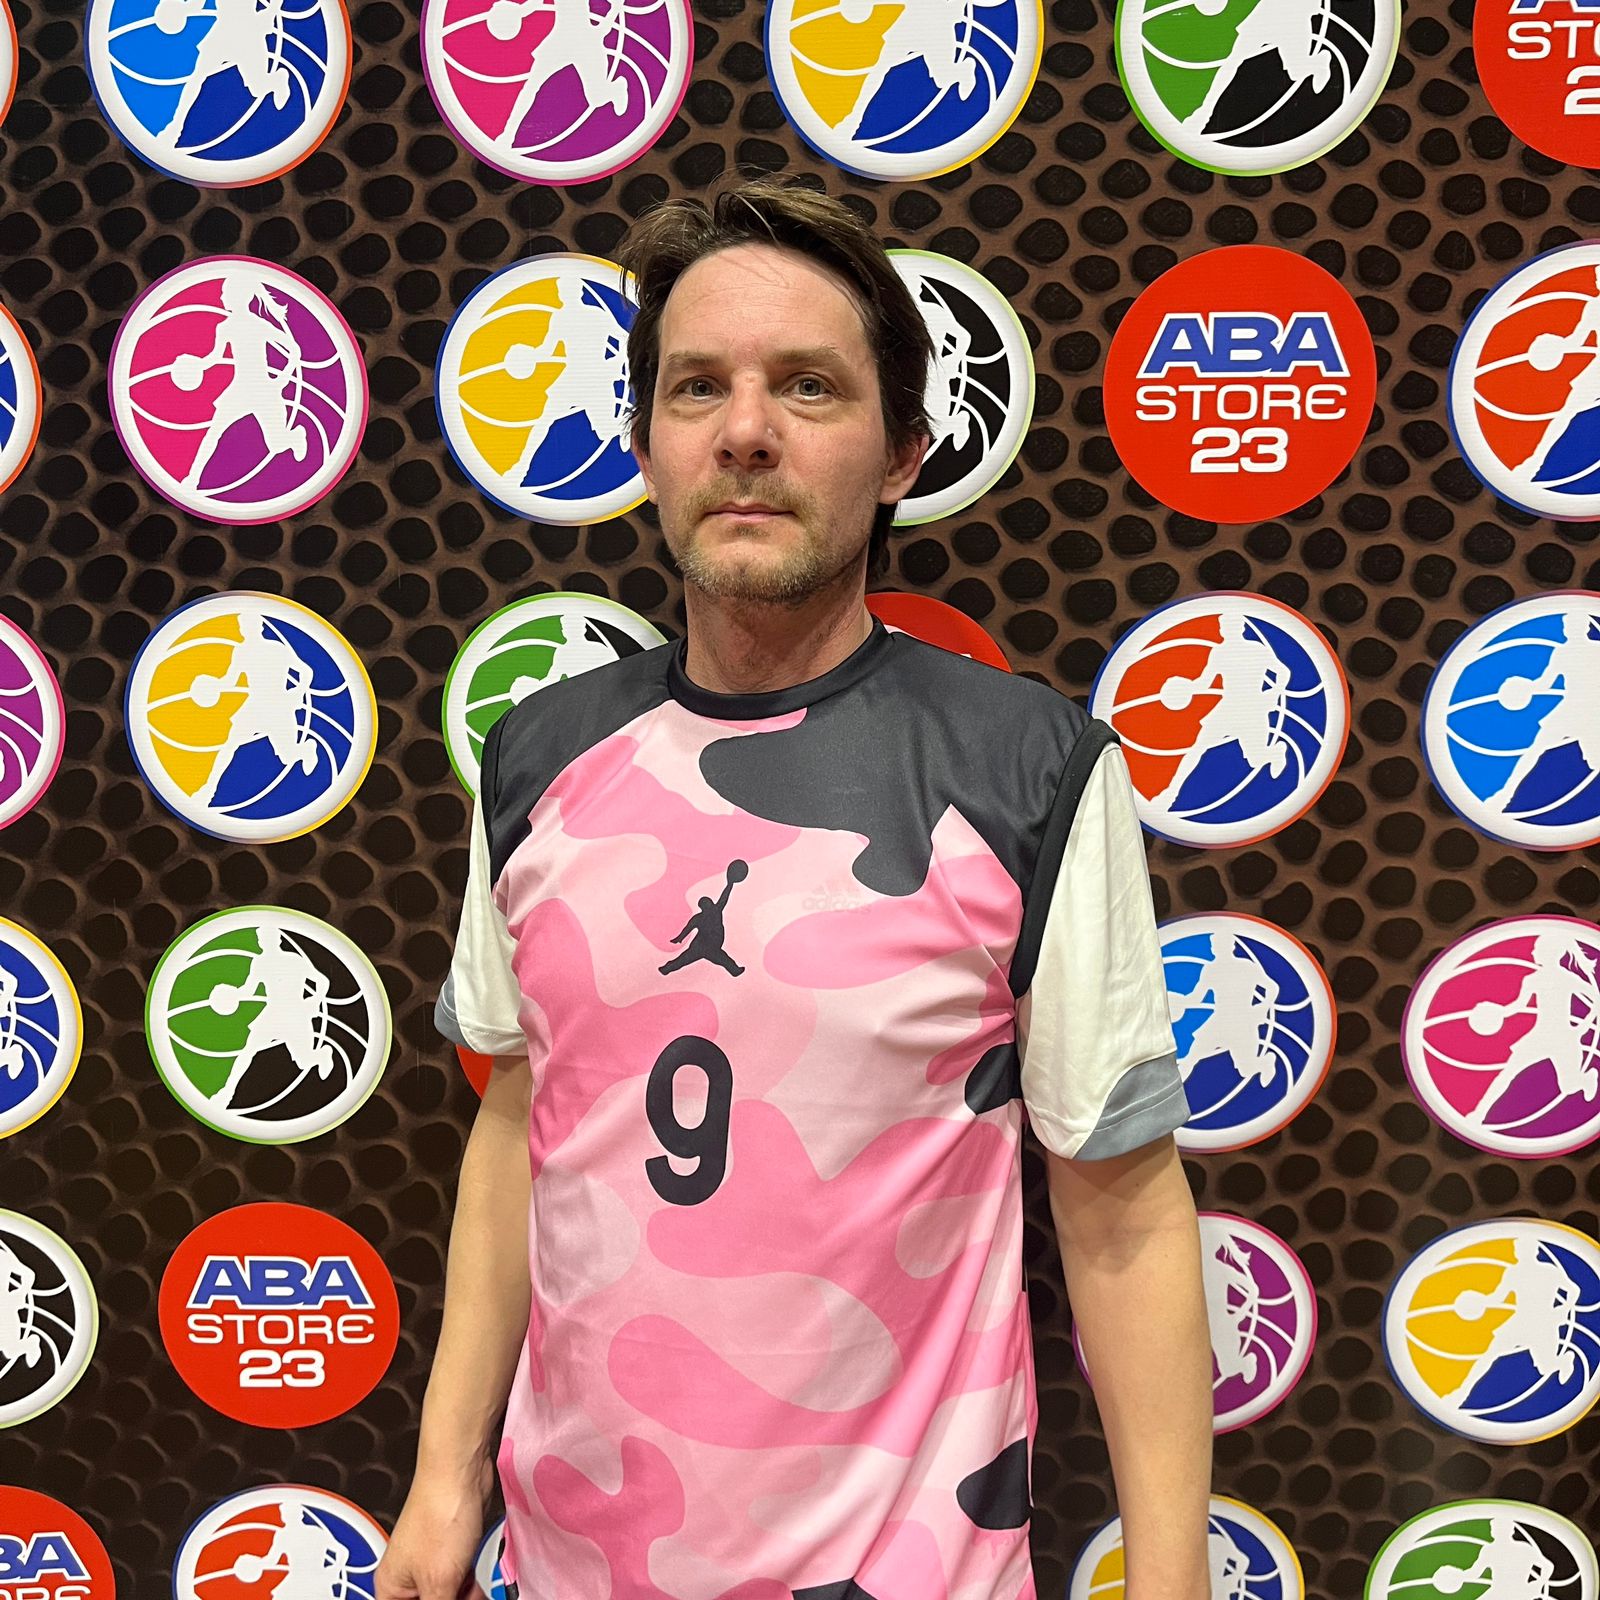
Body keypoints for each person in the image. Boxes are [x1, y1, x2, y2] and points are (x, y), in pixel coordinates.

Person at [377, 176, 1211, 1600]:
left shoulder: (1027, 773)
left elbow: (1123, 1209)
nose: (746, 431)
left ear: (902, 454)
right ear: (645, 443)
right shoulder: (537, 758)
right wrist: (443, 1486)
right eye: (697, 386)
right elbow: (522, 1122)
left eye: (809, 386)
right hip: (577, 1565)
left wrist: (1175, 1580)